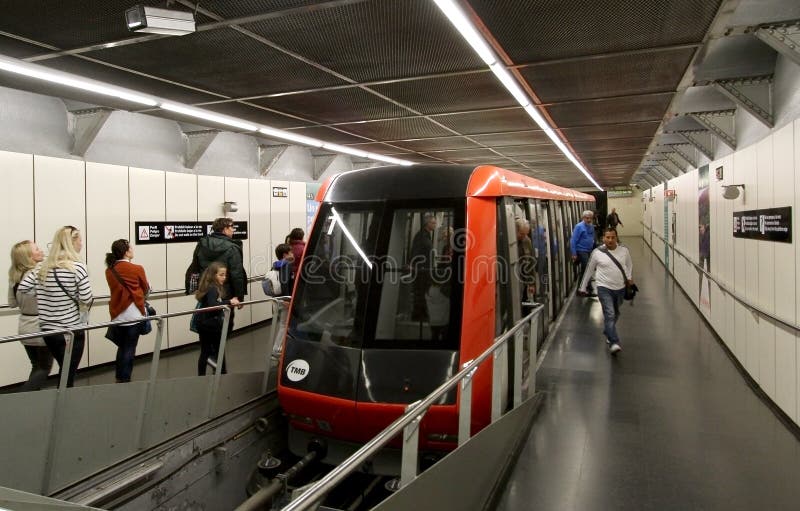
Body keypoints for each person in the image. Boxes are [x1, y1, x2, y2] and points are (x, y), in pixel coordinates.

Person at [18, 226, 93, 387]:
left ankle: (62, 405)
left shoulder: (42, 267)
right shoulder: (77, 267)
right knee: (68, 374)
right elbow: (86, 298)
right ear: (72, 242)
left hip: (48, 331)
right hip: (70, 330)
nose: (81, 243)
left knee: (63, 370)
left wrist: (45, 295)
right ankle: (64, 407)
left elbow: (23, 288)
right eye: (80, 240)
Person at [579, 228, 634, 355]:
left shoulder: (624, 251)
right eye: (607, 237)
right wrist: (582, 287)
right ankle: (614, 341)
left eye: (612, 237)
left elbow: (629, 265)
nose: (610, 240)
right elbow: (589, 270)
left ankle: (608, 331)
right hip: (603, 288)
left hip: (620, 288)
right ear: (603, 238)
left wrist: (629, 278)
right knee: (609, 314)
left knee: (616, 314)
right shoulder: (597, 253)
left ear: (616, 238)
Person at [8, 240, 52, 391]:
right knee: (44, 368)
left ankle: (30, 401)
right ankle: (20, 398)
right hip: (40, 327)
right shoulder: (38, 274)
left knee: (36, 366)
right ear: (28, 256)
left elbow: (12, 303)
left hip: (24, 327)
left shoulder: (14, 277)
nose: (41, 251)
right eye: (37, 249)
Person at [105, 239, 150, 383]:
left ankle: (119, 377)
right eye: (131, 247)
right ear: (126, 251)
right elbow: (145, 289)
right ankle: (125, 378)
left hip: (117, 315)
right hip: (133, 314)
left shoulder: (109, 270)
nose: (132, 249)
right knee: (130, 348)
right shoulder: (137, 268)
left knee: (122, 347)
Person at [194, 217, 246, 330]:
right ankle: (220, 347)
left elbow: (195, 266)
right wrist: (239, 297)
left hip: (206, 290)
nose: (233, 230)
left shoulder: (202, 243)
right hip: (226, 292)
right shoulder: (232, 247)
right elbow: (237, 274)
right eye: (232, 227)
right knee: (225, 324)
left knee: (206, 321)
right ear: (224, 229)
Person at [195, 262, 239, 375]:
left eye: (225, 275)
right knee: (219, 350)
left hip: (203, 323)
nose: (224, 278)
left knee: (205, 350)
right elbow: (212, 305)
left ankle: (201, 376)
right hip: (210, 325)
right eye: (221, 275)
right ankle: (222, 373)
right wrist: (230, 301)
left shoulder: (208, 286)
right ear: (213, 275)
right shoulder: (213, 289)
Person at [409, 213, 436, 322]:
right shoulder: (421, 236)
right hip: (421, 271)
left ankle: (421, 314)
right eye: (433, 223)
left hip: (424, 270)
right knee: (420, 293)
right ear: (427, 223)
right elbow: (416, 253)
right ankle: (418, 315)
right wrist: (416, 267)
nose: (435, 225)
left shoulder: (425, 236)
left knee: (423, 292)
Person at [570, 210, 596, 296]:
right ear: (583, 218)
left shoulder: (591, 226)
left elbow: (592, 238)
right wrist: (574, 253)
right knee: (586, 270)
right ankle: (583, 289)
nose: (589, 220)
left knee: (586, 270)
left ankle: (585, 289)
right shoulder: (579, 227)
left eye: (590, 218)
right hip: (581, 251)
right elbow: (573, 240)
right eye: (587, 218)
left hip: (589, 251)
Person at [515, 218, 535, 302]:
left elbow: (531, 263)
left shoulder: (527, 241)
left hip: (522, 280)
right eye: (521, 234)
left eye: (526, 234)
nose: (523, 237)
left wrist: (531, 283)